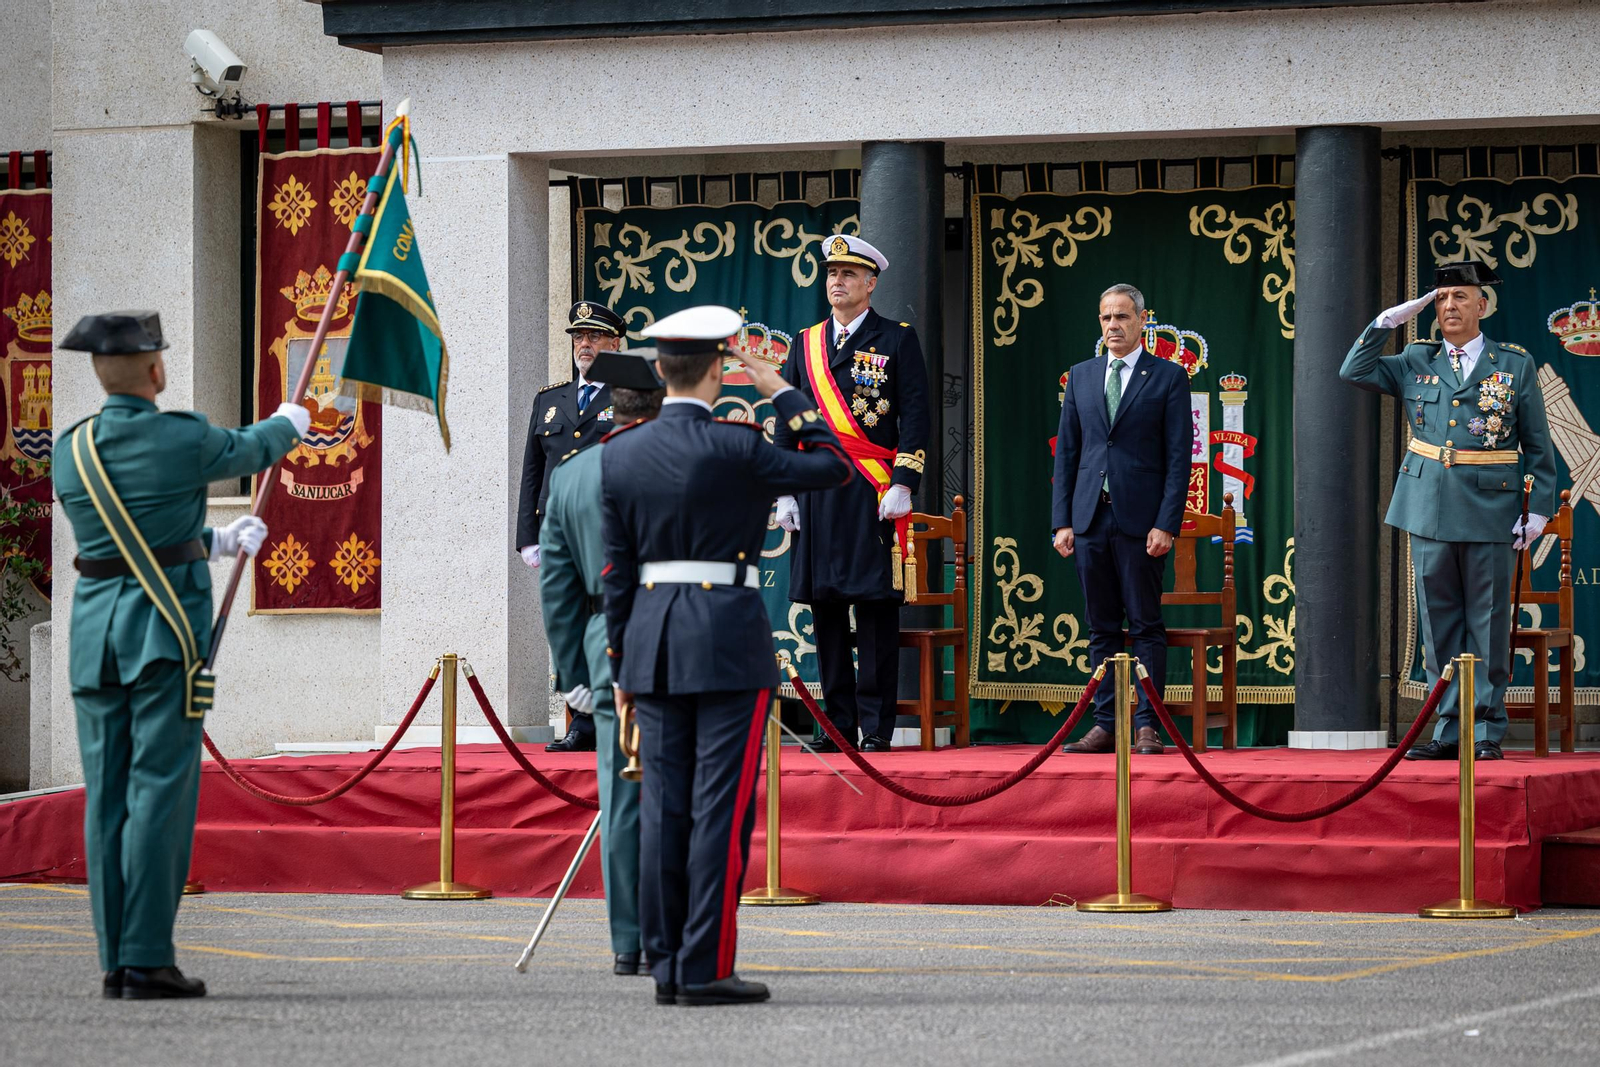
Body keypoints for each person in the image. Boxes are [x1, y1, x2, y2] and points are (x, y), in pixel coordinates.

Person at [52, 311, 307, 999]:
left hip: (95, 642)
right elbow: (251, 448)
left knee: (106, 800)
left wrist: (212, 542)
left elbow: (127, 530)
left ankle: (116, 958)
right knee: (159, 796)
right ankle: (146, 958)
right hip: (161, 639)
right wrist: (290, 421)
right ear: (155, 369)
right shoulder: (181, 436)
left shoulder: (70, 450)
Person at [601, 304, 850, 1006]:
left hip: (651, 639)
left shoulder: (619, 452)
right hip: (726, 640)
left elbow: (616, 573)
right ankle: (704, 966)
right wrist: (783, 389)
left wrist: (621, 664)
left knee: (662, 806)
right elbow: (833, 467)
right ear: (719, 370)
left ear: (659, 370)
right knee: (719, 808)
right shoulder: (739, 445)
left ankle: (664, 962)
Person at [1341, 262, 1556, 761]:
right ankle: (1450, 728)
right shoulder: (1416, 358)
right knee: (1439, 622)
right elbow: (1353, 370)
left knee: (1487, 619)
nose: (1449, 306)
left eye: (1460, 296)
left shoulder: (1513, 363)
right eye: (1440, 299)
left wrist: (1539, 510)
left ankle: (1485, 730)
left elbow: (1538, 445)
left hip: (1491, 507)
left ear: (1483, 305)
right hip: (1428, 506)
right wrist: (1388, 321)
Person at [772, 233, 931, 753]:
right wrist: (785, 491)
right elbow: (788, 419)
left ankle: (876, 727)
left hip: (871, 492)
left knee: (875, 609)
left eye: (847, 274)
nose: (836, 282)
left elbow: (916, 417)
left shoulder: (897, 339)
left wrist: (904, 482)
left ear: (870, 283)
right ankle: (836, 725)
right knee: (826, 610)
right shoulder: (806, 343)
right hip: (818, 494)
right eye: (831, 274)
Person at [538, 348, 664, 977]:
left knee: (623, 792)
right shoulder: (681, 457)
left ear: (612, 403)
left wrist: (573, 676)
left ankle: (629, 940)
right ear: (659, 402)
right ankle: (676, 935)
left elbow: (556, 587)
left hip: (604, 637)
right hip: (680, 629)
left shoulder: (570, 475)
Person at [1051, 284, 1189, 755]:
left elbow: (1179, 459)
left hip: (1142, 522)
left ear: (1142, 320)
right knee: (1101, 627)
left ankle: (1148, 724)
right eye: (1107, 317)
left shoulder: (1168, 377)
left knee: (1146, 624)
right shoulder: (1082, 375)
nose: (1113, 325)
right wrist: (1062, 521)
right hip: (1089, 519)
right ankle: (1107, 724)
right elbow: (1068, 454)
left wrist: (1166, 523)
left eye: (1123, 316)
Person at [518, 300, 626, 753]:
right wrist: (528, 537)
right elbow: (532, 471)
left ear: (615, 344)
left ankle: (616, 720)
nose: (585, 344)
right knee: (570, 625)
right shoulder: (549, 399)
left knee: (612, 624)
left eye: (594, 336)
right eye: (579, 337)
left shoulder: (630, 394)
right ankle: (582, 722)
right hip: (559, 533)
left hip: (611, 530)